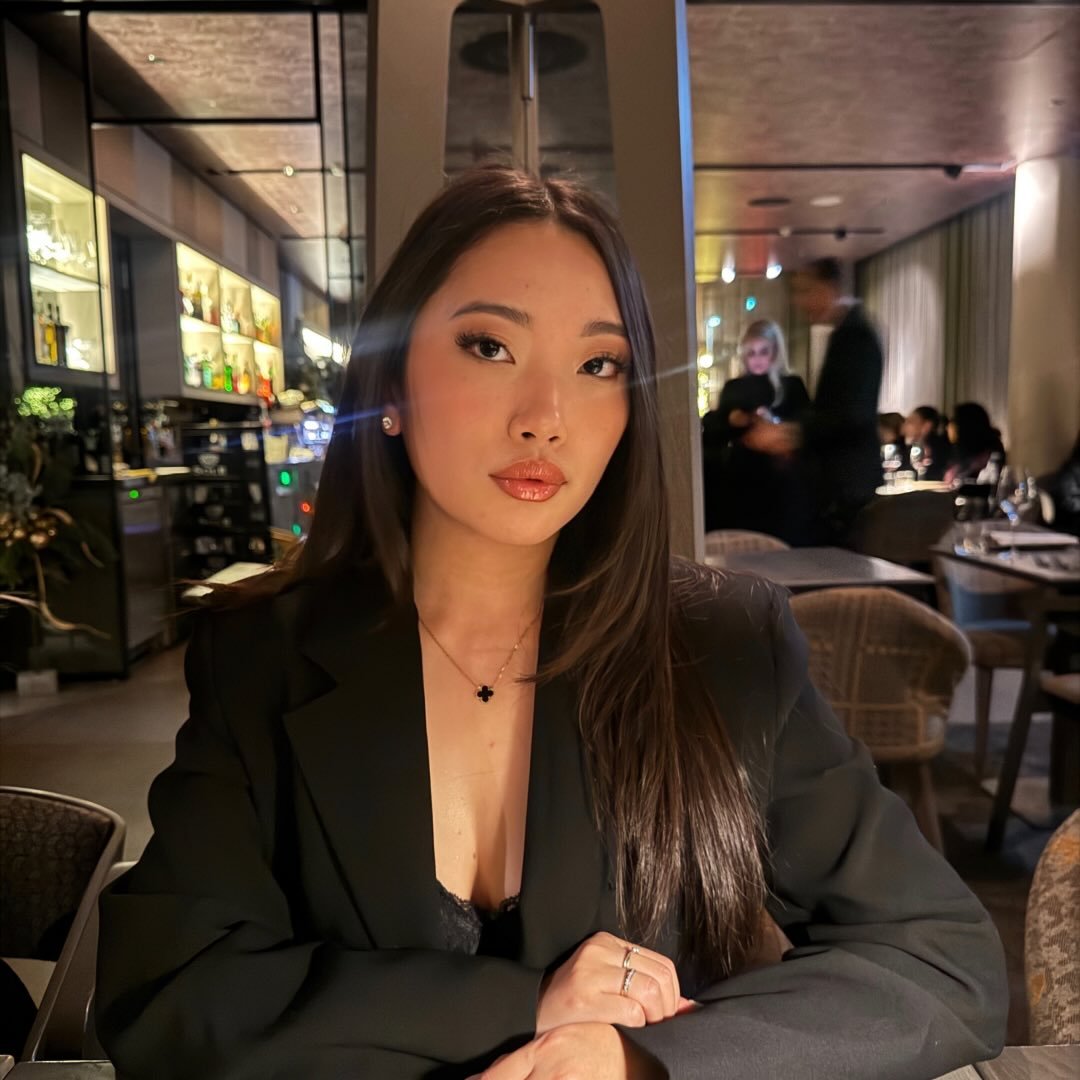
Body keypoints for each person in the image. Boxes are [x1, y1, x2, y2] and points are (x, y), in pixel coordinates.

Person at [96, 165, 1006, 1080]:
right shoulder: (265, 653)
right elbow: (165, 990)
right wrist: (524, 1005)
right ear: (391, 386)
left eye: (598, 365)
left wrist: (638, 1060)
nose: (546, 419)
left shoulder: (723, 645)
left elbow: (940, 958)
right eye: (489, 346)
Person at [745, 258, 883, 545]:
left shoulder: (855, 336)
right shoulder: (850, 332)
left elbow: (850, 413)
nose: (799, 301)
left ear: (829, 288)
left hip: (848, 485)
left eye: (805, 290)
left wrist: (790, 433)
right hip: (846, 483)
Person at [701, 320, 810, 541]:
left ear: (775, 351)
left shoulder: (791, 386)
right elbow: (714, 430)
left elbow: (805, 427)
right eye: (751, 353)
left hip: (781, 483)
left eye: (763, 352)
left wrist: (774, 423)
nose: (757, 359)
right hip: (742, 480)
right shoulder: (734, 388)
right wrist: (735, 420)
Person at [944, 402, 1005, 485]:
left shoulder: (990, 453)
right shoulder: (961, 450)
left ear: (965, 425)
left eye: (953, 421)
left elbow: (988, 484)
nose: (947, 427)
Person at [903, 405, 951, 482]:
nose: (905, 425)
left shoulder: (942, 450)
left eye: (911, 421)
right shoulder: (909, 449)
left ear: (927, 425)